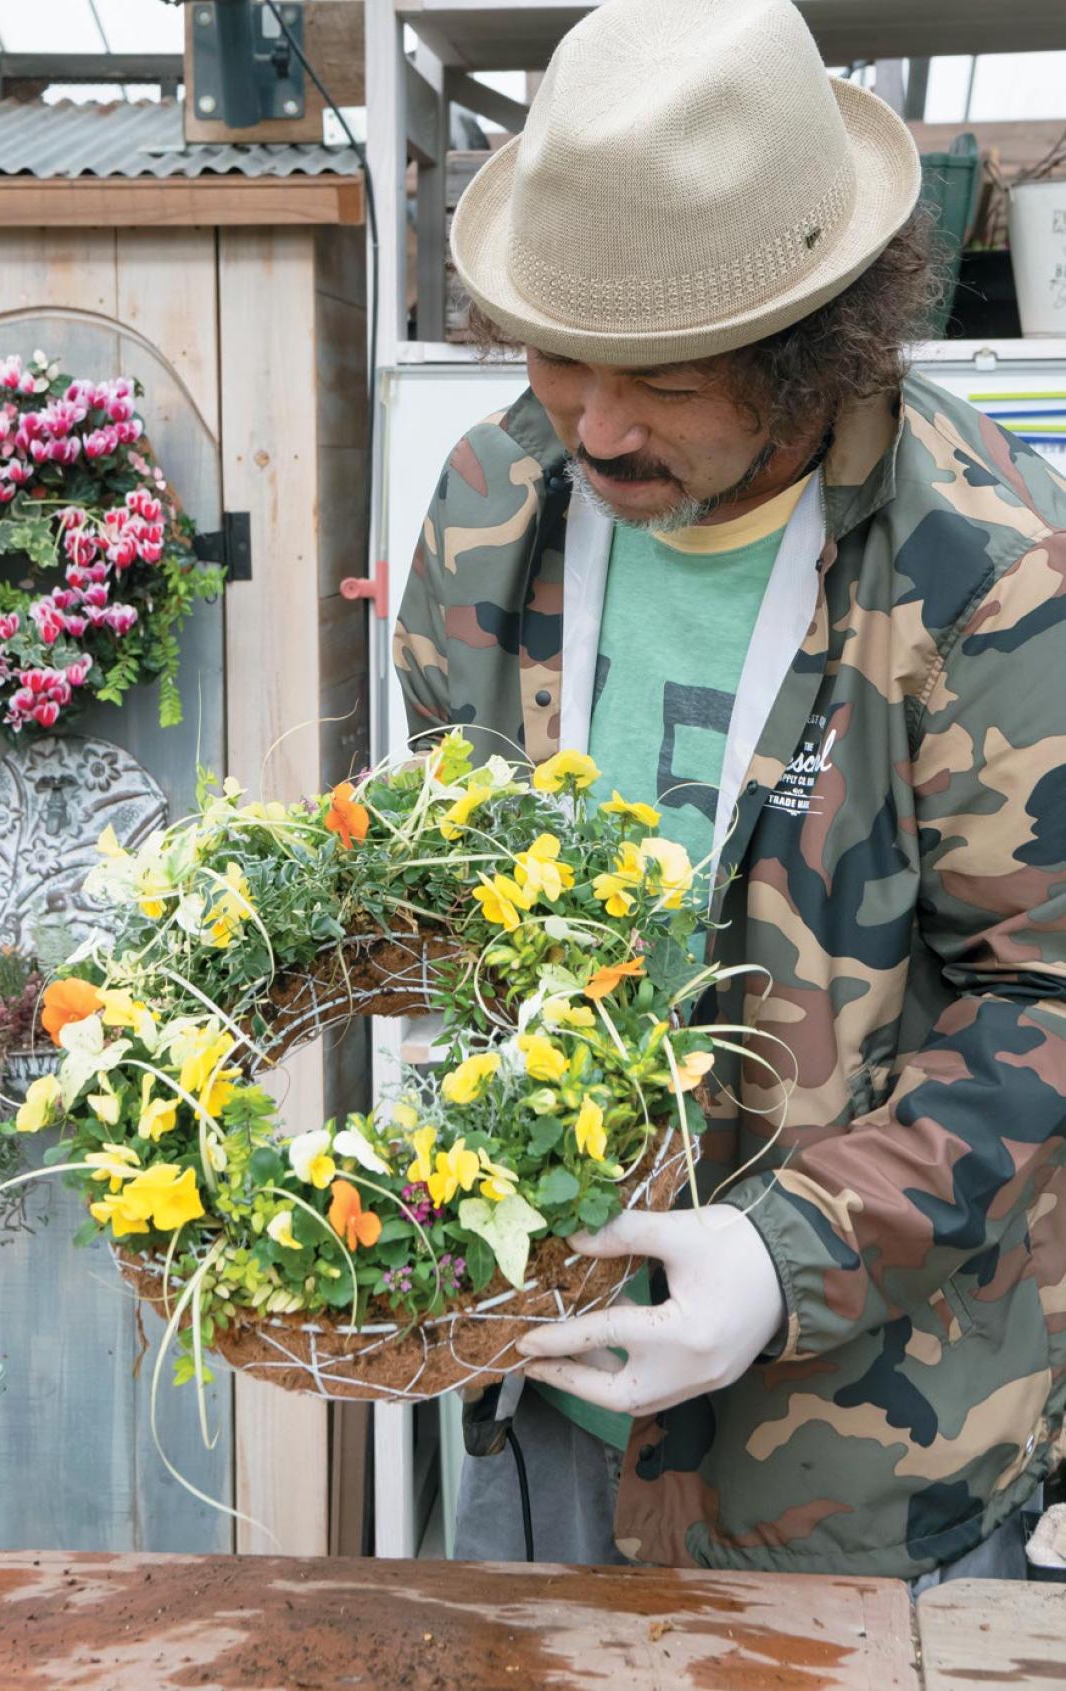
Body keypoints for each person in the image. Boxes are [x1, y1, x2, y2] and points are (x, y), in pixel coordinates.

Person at [393, 0, 1066, 1583]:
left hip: (862, 1460)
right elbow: (447, 873)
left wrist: (781, 1262)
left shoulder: (986, 570)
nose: (599, 427)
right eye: (565, 358)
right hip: (544, 1373)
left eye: (667, 381)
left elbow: (1046, 989)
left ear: (814, 348)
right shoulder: (498, 502)